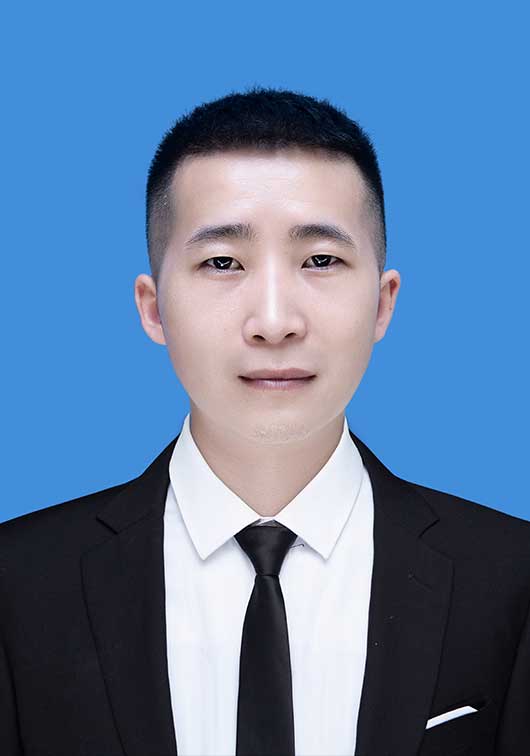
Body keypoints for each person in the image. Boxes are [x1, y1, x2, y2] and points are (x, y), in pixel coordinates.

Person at [1, 87, 529, 756]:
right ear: (154, 307)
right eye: (222, 263)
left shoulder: (511, 581)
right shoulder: (19, 588)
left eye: (321, 260)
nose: (275, 322)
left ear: (382, 302)